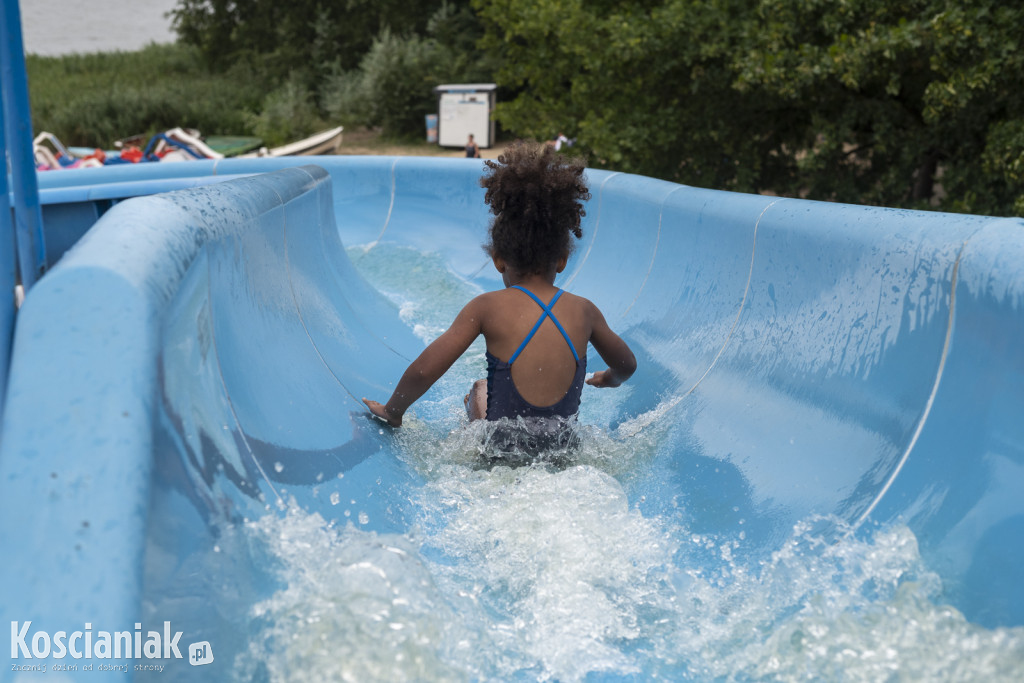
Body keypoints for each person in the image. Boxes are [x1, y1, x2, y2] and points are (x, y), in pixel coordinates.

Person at [363, 141, 636, 452]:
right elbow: (627, 364)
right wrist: (609, 378)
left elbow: (427, 369)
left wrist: (393, 411)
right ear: (562, 259)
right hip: (563, 449)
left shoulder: (486, 307)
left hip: (501, 451)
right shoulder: (585, 311)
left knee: (480, 388)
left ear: (498, 260)